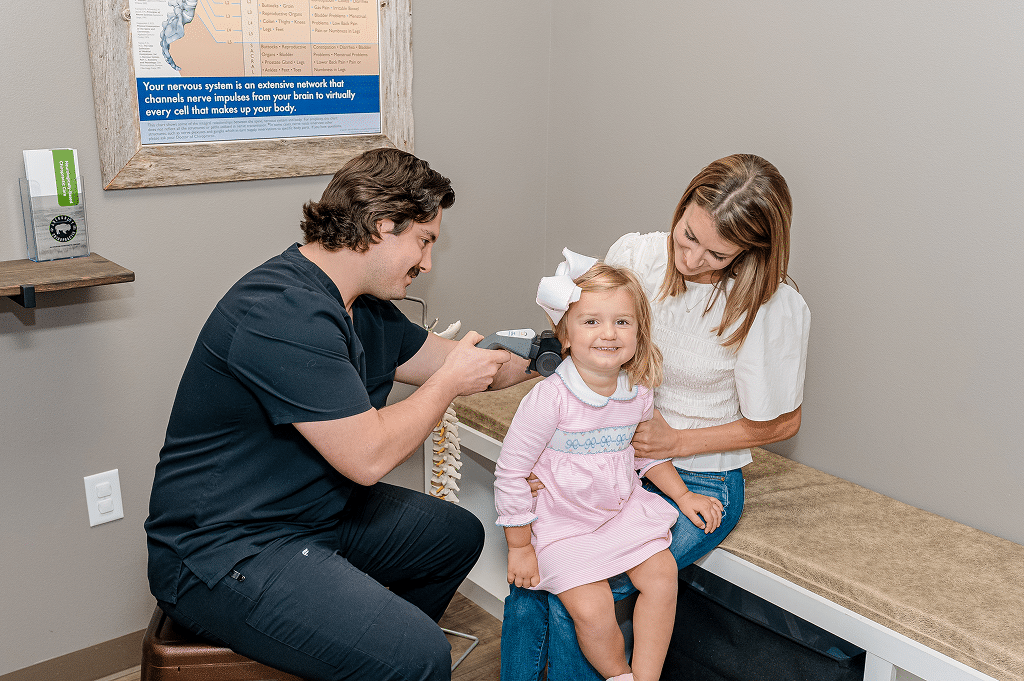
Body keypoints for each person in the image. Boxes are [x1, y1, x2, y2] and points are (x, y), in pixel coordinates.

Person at [145, 148, 532, 681]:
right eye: (424, 240)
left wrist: (560, 350)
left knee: (455, 537)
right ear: (381, 226)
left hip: (312, 515)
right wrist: (447, 383)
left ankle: (362, 662)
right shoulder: (281, 310)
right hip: (225, 548)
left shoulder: (367, 310)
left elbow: (471, 365)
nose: (427, 262)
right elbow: (369, 457)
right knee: (420, 655)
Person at [500, 153, 811, 681]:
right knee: (533, 586)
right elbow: (584, 329)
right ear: (683, 204)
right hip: (608, 458)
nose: (691, 259)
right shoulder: (636, 255)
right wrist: (557, 454)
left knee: (576, 598)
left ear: (752, 250)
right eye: (687, 235)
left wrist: (677, 442)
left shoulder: (771, 305)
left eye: (717, 253)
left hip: (695, 471)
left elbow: (783, 424)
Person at [496, 251, 691, 681]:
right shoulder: (551, 398)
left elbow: (646, 451)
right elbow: (510, 473)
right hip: (563, 524)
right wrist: (520, 547)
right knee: (593, 610)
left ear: (640, 332)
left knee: (662, 577)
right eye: (591, 321)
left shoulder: (636, 391)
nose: (608, 333)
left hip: (618, 511)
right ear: (564, 334)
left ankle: (647, 675)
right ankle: (620, 675)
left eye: (622, 322)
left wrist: (682, 493)